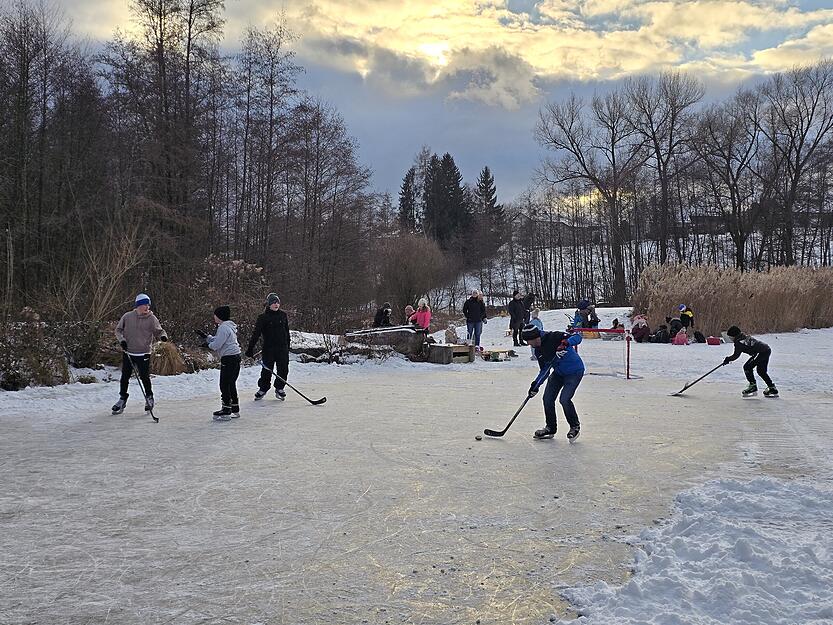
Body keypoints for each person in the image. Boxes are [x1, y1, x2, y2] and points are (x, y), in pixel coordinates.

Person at [522, 324, 584, 442]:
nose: (529, 344)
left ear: (535, 337)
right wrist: (536, 385)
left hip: (574, 372)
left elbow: (577, 337)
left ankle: (574, 426)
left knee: (564, 399)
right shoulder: (538, 350)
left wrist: (565, 343)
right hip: (558, 374)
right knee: (547, 399)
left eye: (529, 341)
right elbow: (545, 370)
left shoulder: (554, 337)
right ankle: (550, 427)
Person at [112, 293, 168, 415]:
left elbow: (159, 330)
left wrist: (163, 336)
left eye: (148, 305)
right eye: (144, 305)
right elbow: (118, 330)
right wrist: (122, 341)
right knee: (125, 377)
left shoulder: (152, 318)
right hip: (128, 352)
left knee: (144, 377)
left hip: (144, 353)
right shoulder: (127, 317)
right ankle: (122, 398)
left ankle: (149, 397)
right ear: (138, 305)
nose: (147, 307)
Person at [197, 306, 242, 421]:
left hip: (229, 358)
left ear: (219, 316)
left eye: (215, 315)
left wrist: (207, 345)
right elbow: (218, 339)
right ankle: (234, 408)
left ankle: (226, 409)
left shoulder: (223, 328)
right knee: (231, 383)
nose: (214, 316)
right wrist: (206, 337)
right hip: (235, 357)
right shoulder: (228, 327)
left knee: (224, 384)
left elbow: (217, 345)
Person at [245, 292, 291, 401]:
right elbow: (256, 334)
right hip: (269, 349)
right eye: (273, 302)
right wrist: (250, 349)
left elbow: (287, 332)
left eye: (277, 302)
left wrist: (287, 346)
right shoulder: (263, 317)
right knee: (266, 370)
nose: (276, 304)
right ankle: (263, 388)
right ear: (269, 304)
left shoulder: (283, 315)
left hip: (282, 349)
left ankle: (279, 388)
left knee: (283, 369)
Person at [723, 326, 778, 397]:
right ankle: (771, 387)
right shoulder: (743, 337)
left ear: (734, 336)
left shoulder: (738, 342)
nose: (730, 339)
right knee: (761, 371)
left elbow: (736, 356)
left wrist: (728, 359)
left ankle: (753, 386)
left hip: (760, 352)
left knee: (747, 367)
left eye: (731, 337)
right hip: (766, 349)